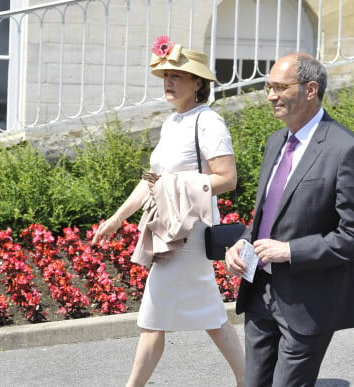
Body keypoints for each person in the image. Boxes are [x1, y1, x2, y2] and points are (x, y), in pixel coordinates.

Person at [92, 36, 245, 387]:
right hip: (171, 229)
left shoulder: (208, 122)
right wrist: (118, 217)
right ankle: (248, 379)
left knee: (153, 317)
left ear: (198, 83)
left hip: (188, 232)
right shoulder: (172, 123)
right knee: (211, 314)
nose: (169, 81)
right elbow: (152, 180)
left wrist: (177, 183)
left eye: (178, 74)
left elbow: (227, 178)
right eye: (166, 75)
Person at [225, 53, 354, 386]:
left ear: (311, 89)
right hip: (260, 293)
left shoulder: (346, 150)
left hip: (308, 302)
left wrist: (289, 251)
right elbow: (267, 216)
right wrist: (242, 243)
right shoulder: (275, 142)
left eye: (281, 87)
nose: (270, 95)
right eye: (269, 87)